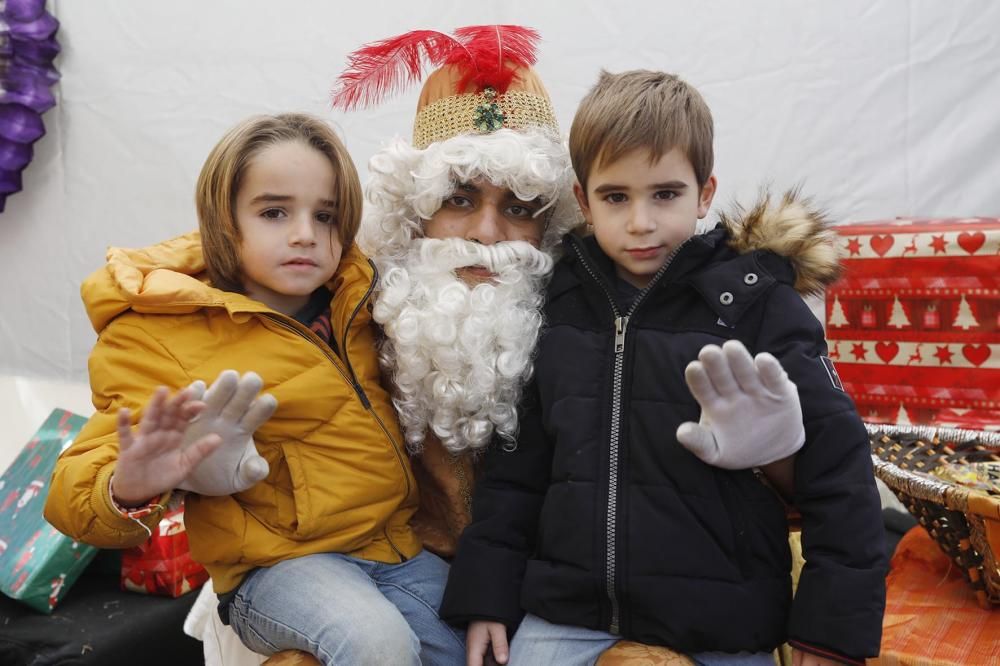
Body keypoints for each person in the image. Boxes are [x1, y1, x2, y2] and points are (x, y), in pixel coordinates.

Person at [440, 70, 888, 665]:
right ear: (583, 199)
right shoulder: (556, 302)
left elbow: (840, 467)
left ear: (705, 193)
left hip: (721, 623)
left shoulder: (756, 304)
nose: (642, 222)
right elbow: (517, 471)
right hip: (569, 612)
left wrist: (829, 627)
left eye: (666, 194)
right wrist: (488, 595)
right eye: (616, 197)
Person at [43, 113, 465, 666]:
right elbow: (69, 493)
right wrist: (129, 485)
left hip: (395, 547)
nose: (304, 234)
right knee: (375, 644)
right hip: (275, 568)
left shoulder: (362, 302)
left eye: (327, 216)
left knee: (478, 639)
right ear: (224, 219)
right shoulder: (157, 330)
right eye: (273, 212)